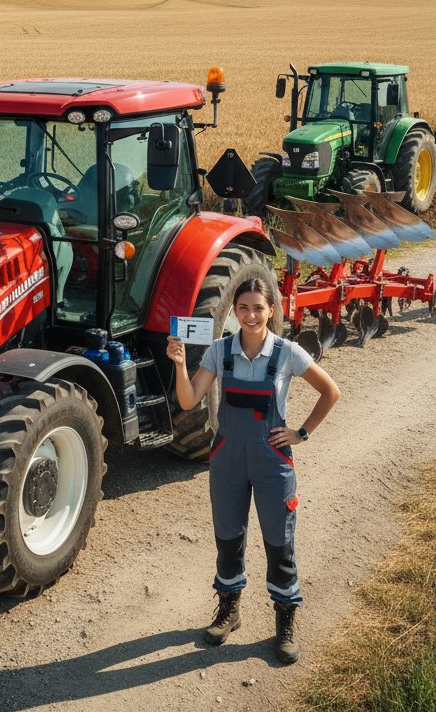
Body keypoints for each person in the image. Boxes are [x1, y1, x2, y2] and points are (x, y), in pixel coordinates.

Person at [166, 278, 340, 664]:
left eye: (258, 308)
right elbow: (188, 398)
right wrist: (180, 365)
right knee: (228, 538)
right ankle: (230, 611)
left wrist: (301, 433)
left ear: (271, 311)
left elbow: (331, 392)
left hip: (271, 461)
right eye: (242, 308)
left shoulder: (287, 352)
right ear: (234, 311)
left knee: (279, 543)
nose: (250, 315)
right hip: (227, 458)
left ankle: (285, 622)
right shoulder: (218, 351)